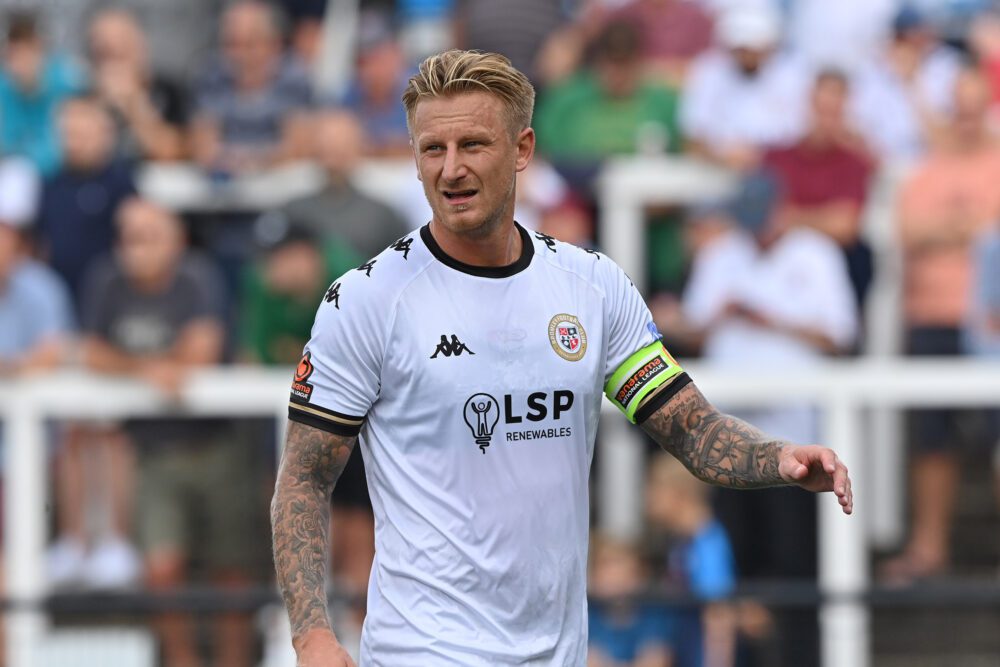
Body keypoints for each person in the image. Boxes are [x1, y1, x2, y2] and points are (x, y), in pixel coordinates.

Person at [270, 49, 853, 667]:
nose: (451, 169)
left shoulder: (591, 287)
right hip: (423, 651)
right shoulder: (366, 300)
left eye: (473, 145)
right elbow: (303, 478)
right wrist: (311, 634)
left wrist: (777, 458)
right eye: (432, 149)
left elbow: (690, 428)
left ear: (522, 149)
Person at [81, 198, 257, 667]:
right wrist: (150, 369)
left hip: (216, 446)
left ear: (175, 241)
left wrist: (135, 366)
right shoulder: (106, 281)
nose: (137, 248)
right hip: (153, 451)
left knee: (232, 573)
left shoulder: (199, 276)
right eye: (129, 238)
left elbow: (202, 350)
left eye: (149, 237)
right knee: (161, 571)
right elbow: (90, 352)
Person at [885, 66, 1000, 583]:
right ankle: (928, 549)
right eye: (961, 108)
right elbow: (908, 230)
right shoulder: (926, 168)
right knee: (932, 440)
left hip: (989, 321)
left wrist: (948, 230)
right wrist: (969, 228)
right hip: (932, 316)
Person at [34, 94, 136, 311]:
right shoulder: (50, 184)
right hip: (60, 293)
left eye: (82, 134)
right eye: (68, 134)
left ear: (106, 135)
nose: (74, 143)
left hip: (109, 296)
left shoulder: (121, 183)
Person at [680, 4, 810, 171]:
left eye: (756, 52)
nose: (749, 58)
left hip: (776, 171)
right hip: (716, 171)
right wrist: (722, 155)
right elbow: (693, 138)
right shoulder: (708, 72)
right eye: (744, 51)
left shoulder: (791, 76)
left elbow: (801, 138)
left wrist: (760, 156)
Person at [190, 0, 313, 176]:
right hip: (224, 186)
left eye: (250, 44)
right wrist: (252, 162)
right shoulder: (210, 77)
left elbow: (298, 147)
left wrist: (243, 162)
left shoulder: (294, 78)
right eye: (232, 44)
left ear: (275, 44)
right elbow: (203, 149)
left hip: (280, 182)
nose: (240, 55)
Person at [272, 110, 410, 260]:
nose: (334, 151)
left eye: (342, 144)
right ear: (314, 148)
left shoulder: (383, 215)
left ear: (358, 147)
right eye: (327, 144)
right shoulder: (293, 211)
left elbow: (402, 263)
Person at [646, 453, 737, 667]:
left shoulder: (707, 543)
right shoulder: (682, 542)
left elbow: (719, 617)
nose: (648, 497)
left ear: (678, 493)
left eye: (654, 488)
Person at [86, 8, 190, 162]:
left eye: (122, 44)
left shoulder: (169, 91)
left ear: (140, 45)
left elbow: (174, 153)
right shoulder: (82, 96)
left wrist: (134, 105)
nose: (113, 49)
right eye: (105, 51)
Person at [0, 10, 87, 176]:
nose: (21, 63)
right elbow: (6, 143)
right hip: (18, 170)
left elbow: (74, 139)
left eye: (28, 51)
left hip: (65, 170)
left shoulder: (68, 80)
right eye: (14, 55)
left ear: (40, 49)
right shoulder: (3, 87)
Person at [587, 535, 673, 667]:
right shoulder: (588, 616)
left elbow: (657, 661)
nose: (613, 576)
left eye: (620, 566)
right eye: (605, 566)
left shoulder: (654, 615)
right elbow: (588, 661)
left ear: (639, 575)